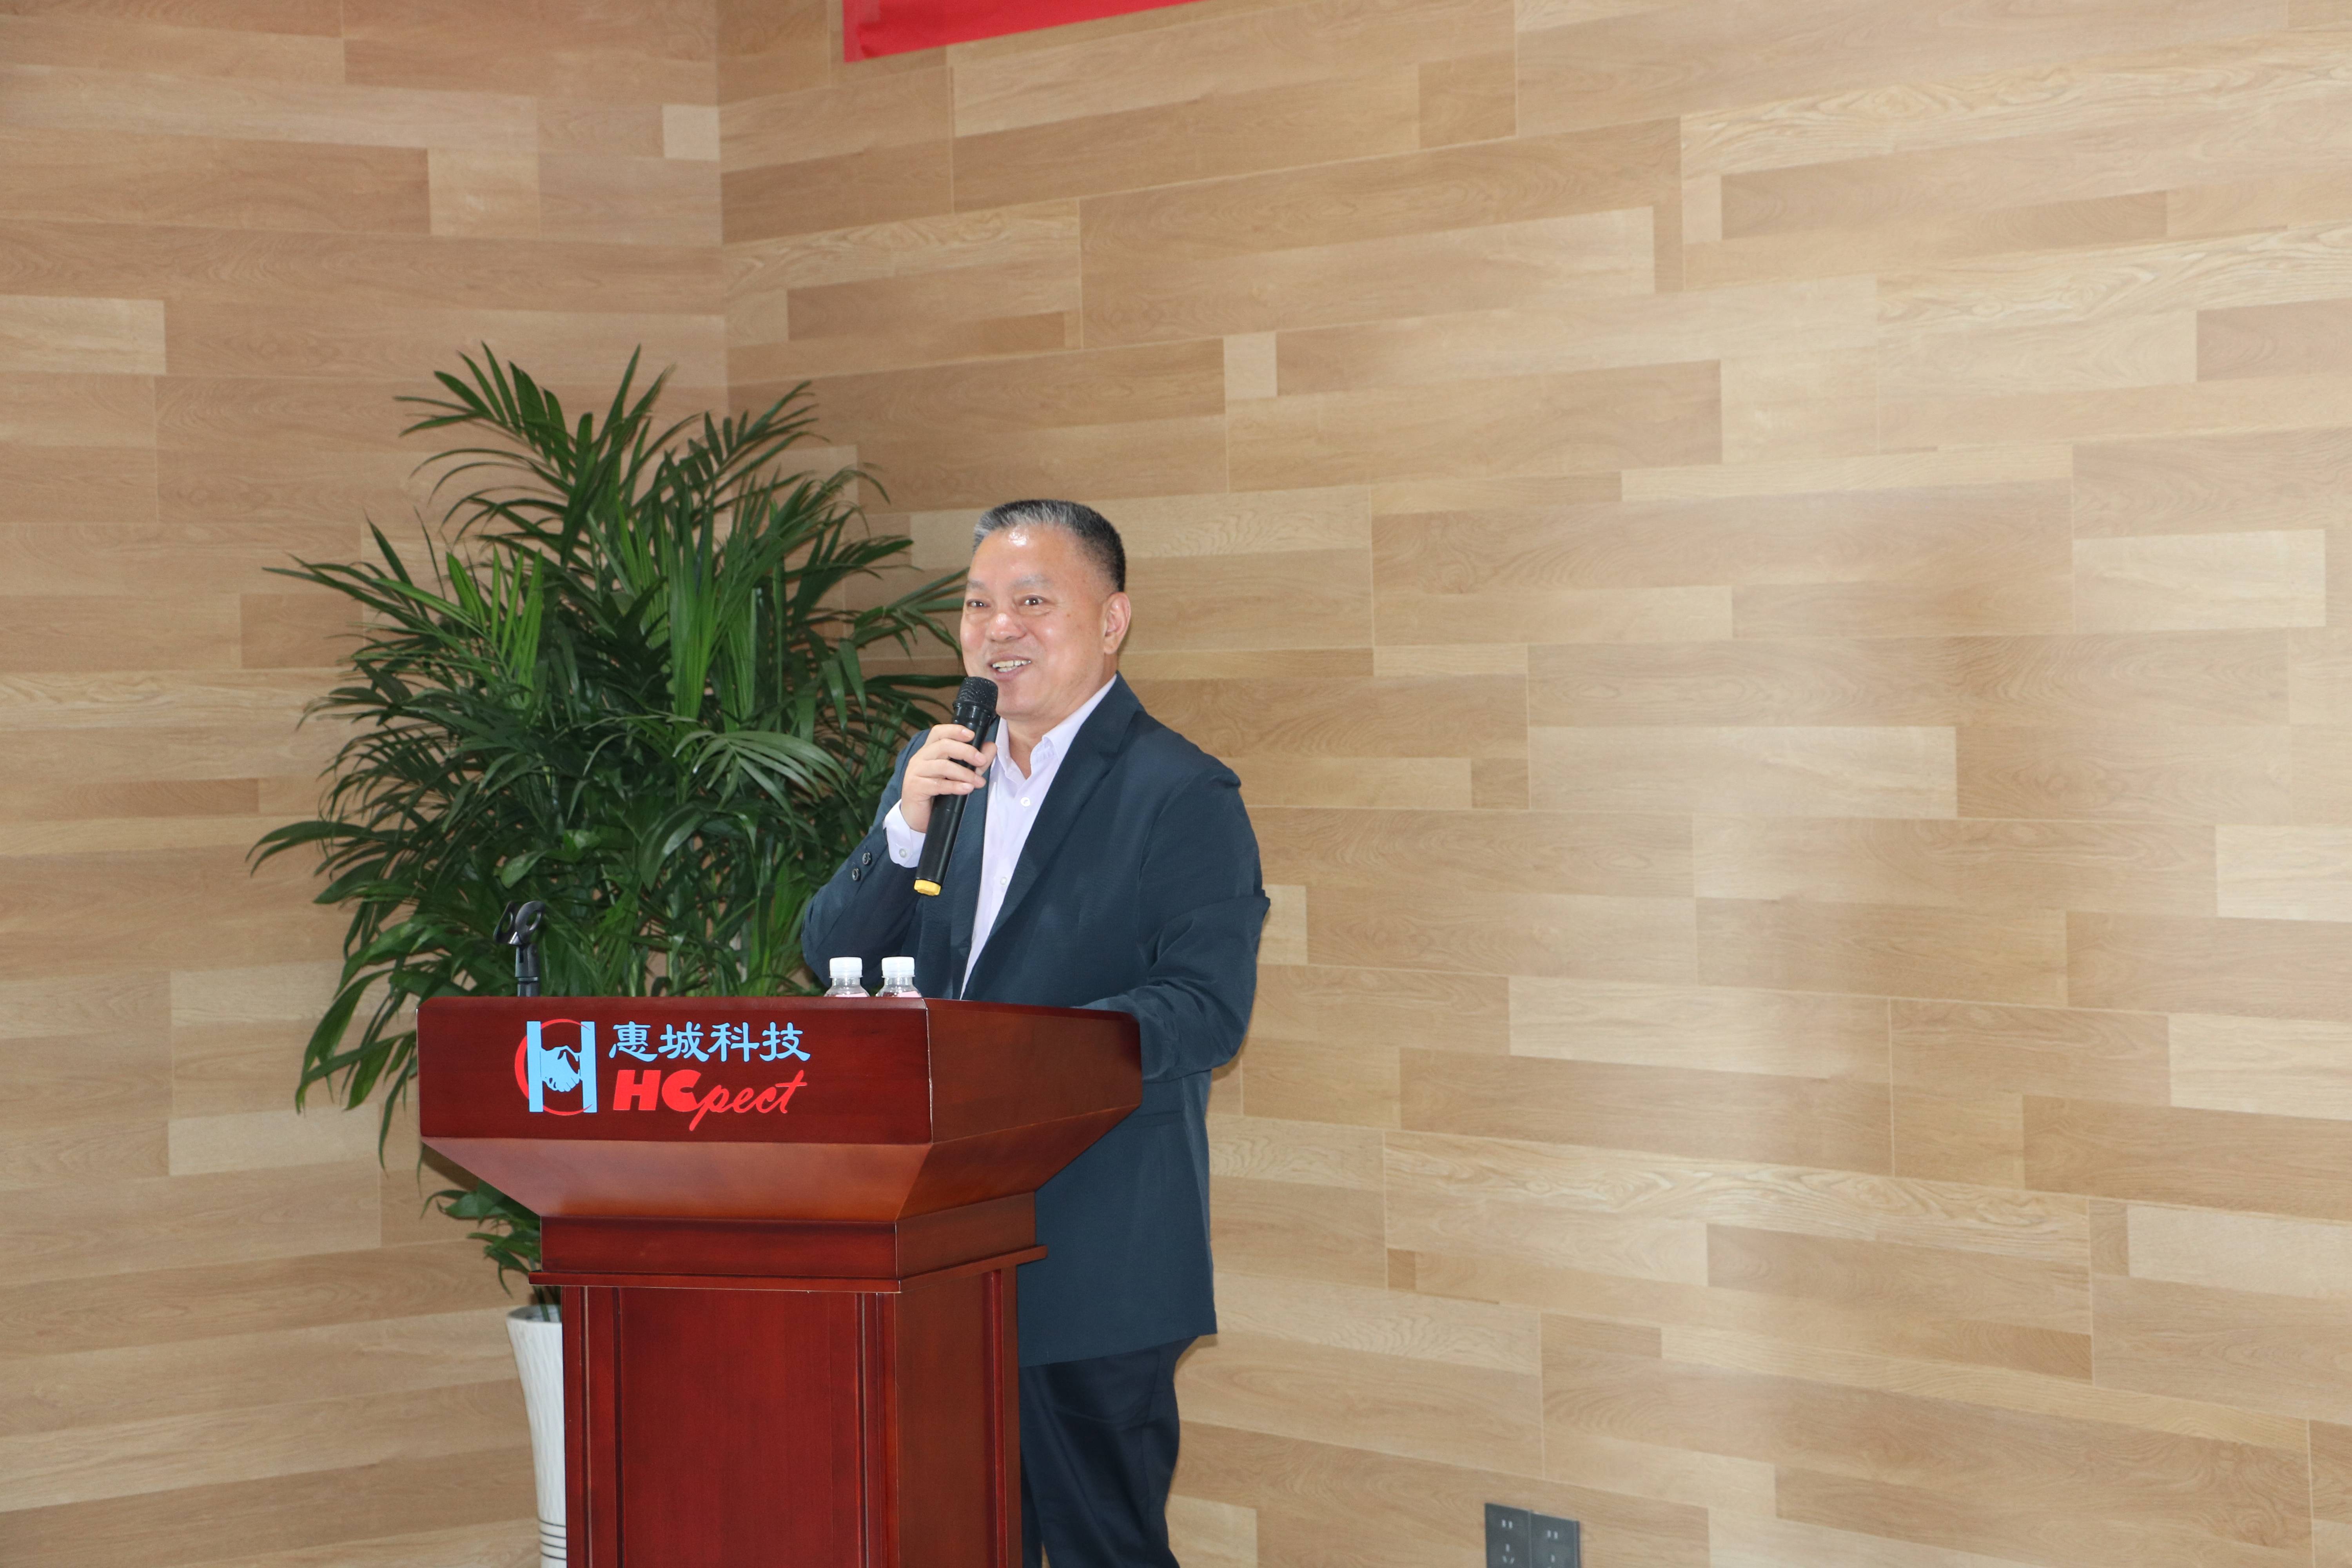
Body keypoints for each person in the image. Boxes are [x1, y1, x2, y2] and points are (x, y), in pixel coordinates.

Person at [801, 498, 1267, 1568]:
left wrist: (1011, 1059)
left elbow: (1204, 1008)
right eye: (977, 605)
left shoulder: (1182, 792)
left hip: (1094, 1250)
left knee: (1104, 1548)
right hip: (938, 1247)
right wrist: (904, 825)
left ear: (1112, 622)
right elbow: (831, 953)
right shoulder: (941, 774)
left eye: (1032, 602)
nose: (997, 628)